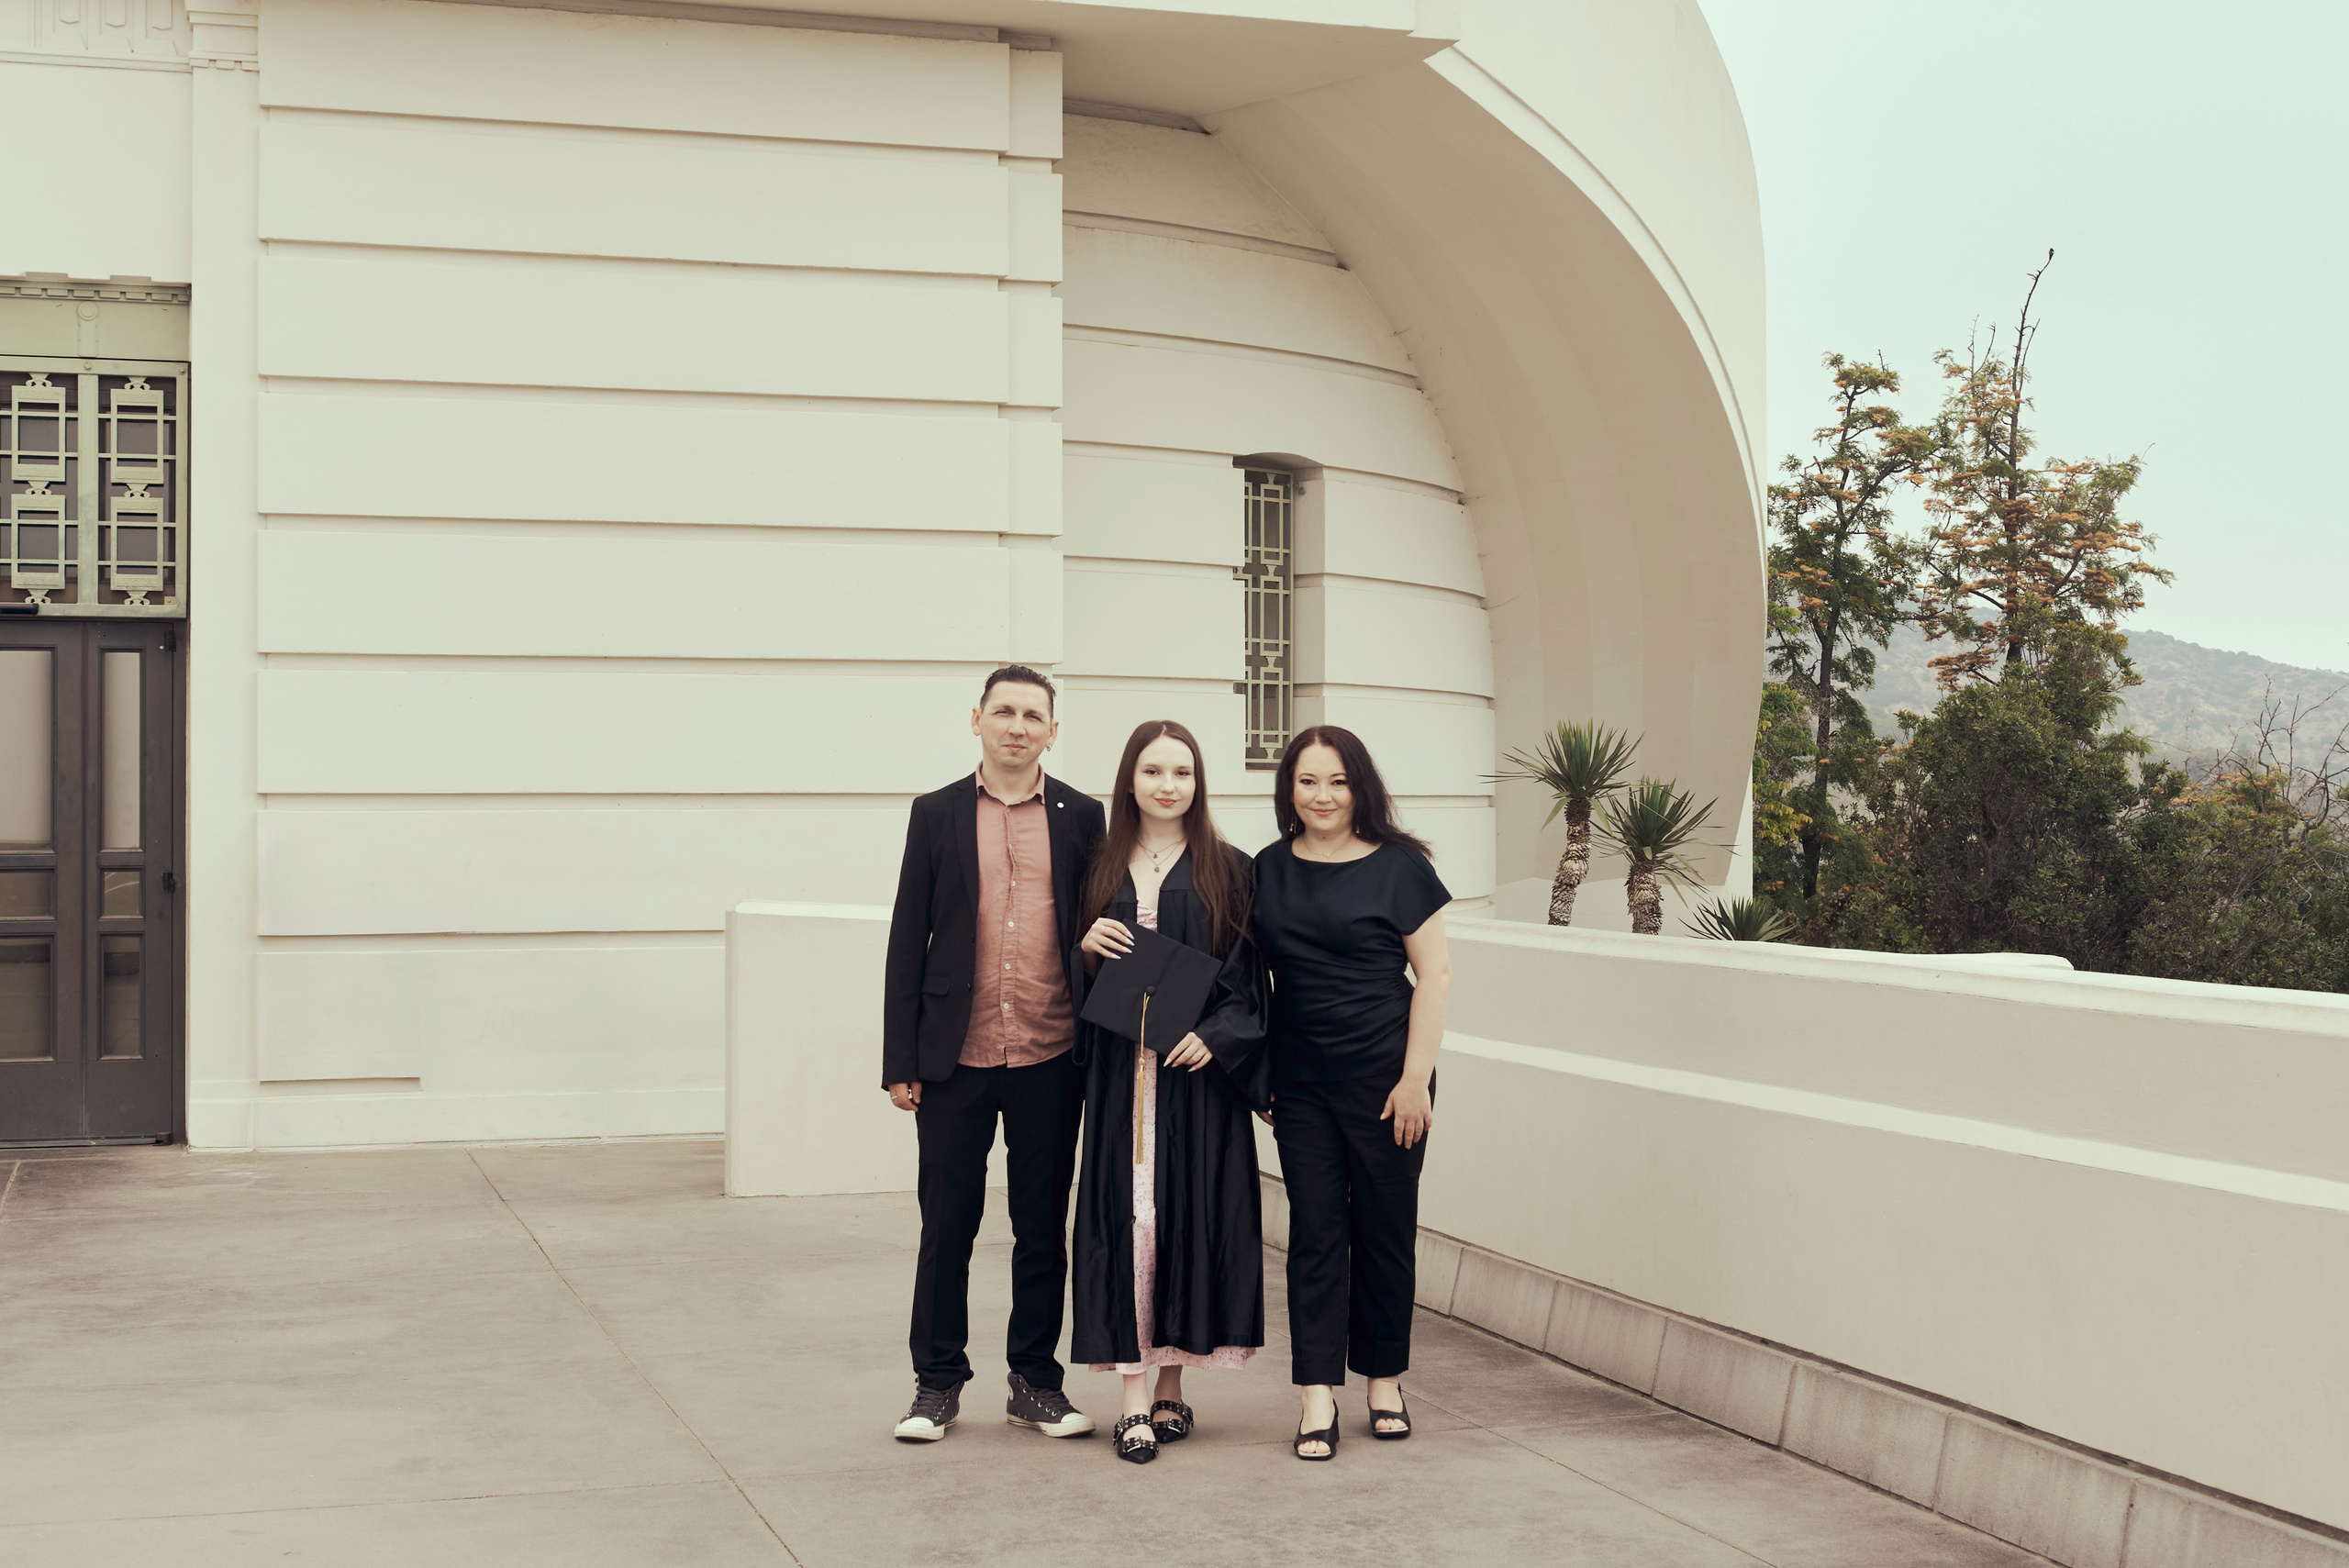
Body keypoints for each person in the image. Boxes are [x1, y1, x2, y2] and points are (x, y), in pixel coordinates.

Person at [881, 665, 1106, 1443]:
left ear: (1053, 731)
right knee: (948, 1226)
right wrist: (901, 1058)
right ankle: (936, 1384)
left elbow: (1100, 924)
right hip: (955, 1056)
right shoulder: (935, 812)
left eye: (1033, 715)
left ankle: (1035, 1382)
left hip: (1053, 1052)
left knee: (1043, 1228)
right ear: (976, 718)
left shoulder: (1083, 816)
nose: (1018, 725)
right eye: (1004, 711)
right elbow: (908, 935)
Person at [1069, 721, 1271, 1464]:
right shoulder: (1095, 866)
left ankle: (1170, 1387)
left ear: (1198, 781)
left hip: (1195, 1081)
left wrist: (1218, 1036)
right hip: (1120, 1076)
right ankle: (1130, 1399)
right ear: (1130, 778)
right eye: (1152, 770)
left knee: (1188, 1218)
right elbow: (1065, 970)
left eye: (1181, 771)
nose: (1167, 784)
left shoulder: (1230, 869)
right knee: (1127, 1223)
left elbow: (1251, 980)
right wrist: (1084, 949)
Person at [1252, 726, 1453, 1460]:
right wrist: (1260, 1074)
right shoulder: (1267, 869)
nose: (1323, 795)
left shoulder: (1401, 867)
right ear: (1290, 789)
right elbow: (1246, 978)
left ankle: (1384, 1380)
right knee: (1315, 1235)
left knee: (1384, 1231)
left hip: (1388, 1081)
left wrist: (1415, 1078)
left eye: (1337, 780)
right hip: (1299, 1084)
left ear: (1359, 785)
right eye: (1308, 781)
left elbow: (1435, 974)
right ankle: (1316, 1393)